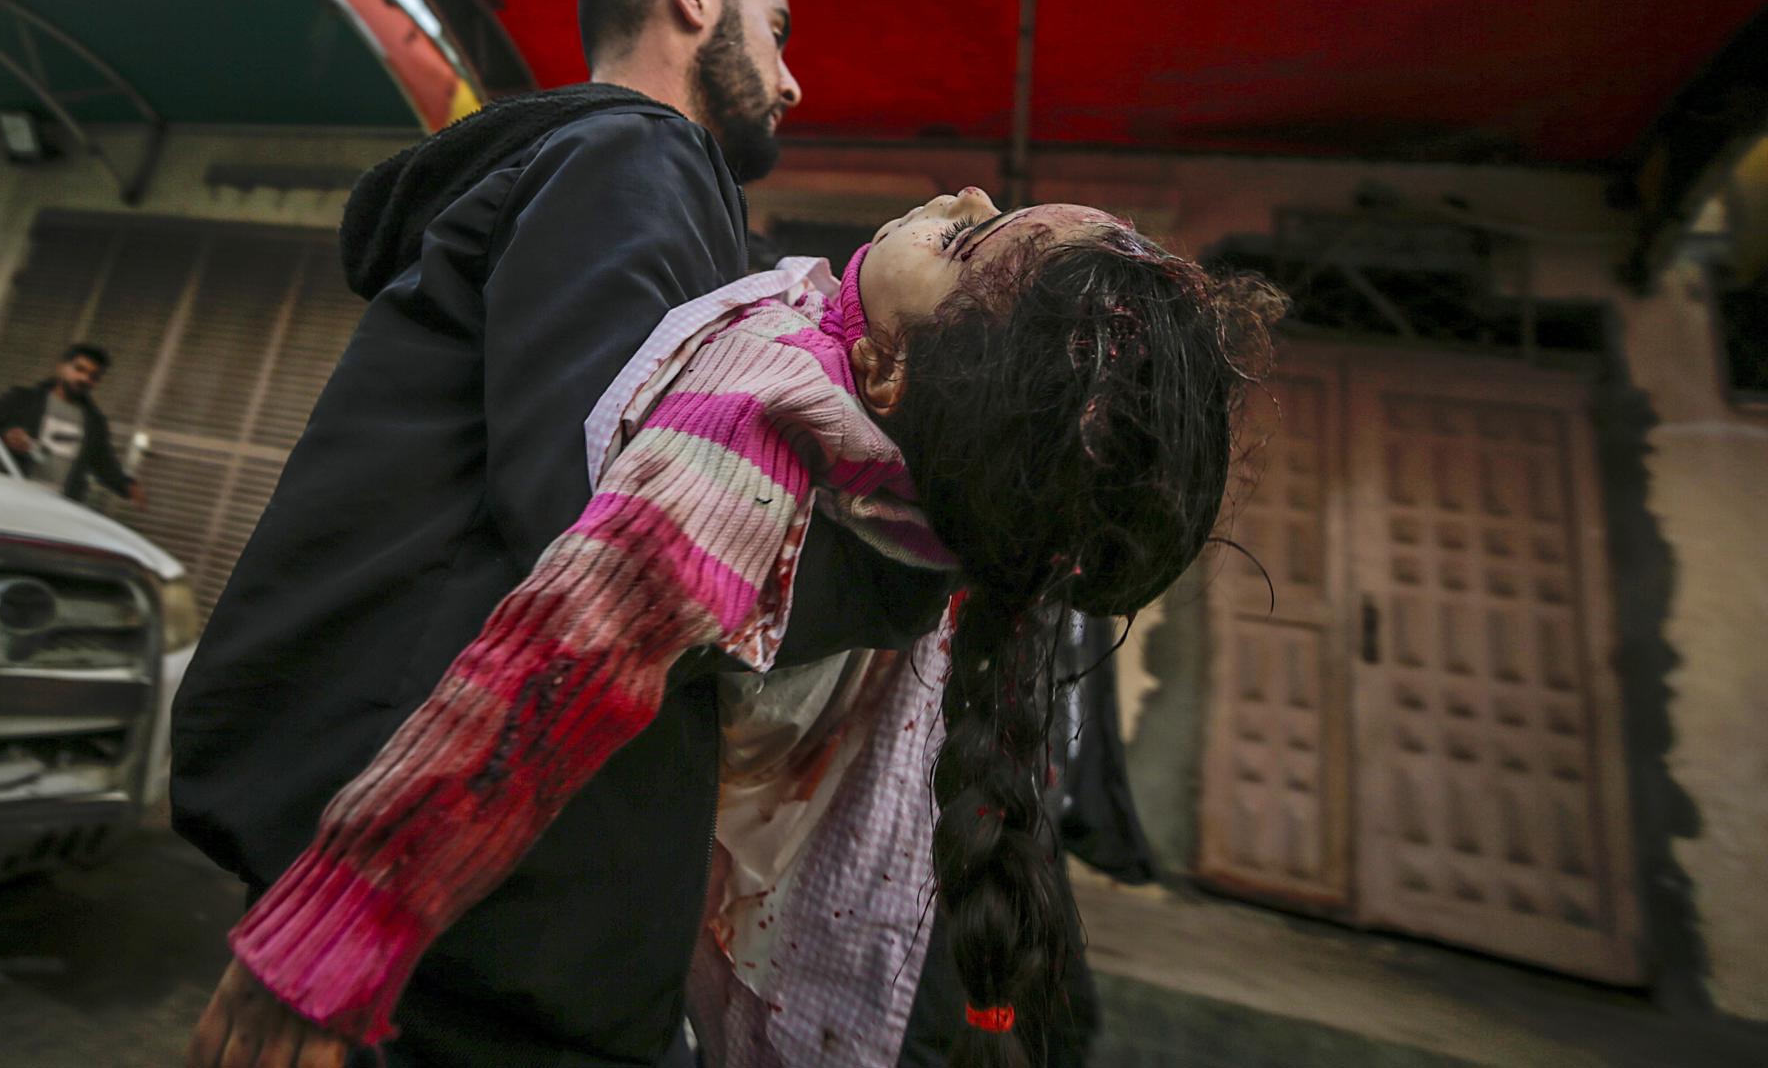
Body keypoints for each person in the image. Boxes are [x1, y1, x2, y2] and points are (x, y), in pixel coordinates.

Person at [185, 187, 1280, 1068]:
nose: (965, 189)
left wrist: (339, 932)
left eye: (967, 238)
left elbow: (559, 665)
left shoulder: (764, 403)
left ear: (891, 372)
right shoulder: (957, 527)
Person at [171, 0, 951, 1068]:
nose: (790, 82)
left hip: (436, 890)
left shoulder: (587, 167)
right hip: (472, 924)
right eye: (777, 31)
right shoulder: (644, 152)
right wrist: (914, 570)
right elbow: (608, 498)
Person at [0, 342, 147, 508]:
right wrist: (5, 438)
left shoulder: (94, 422)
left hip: (60, 508)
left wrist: (128, 486)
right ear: (61, 367)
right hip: (10, 496)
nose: (85, 379)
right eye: (79, 369)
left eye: (93, 377)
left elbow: (104, 464)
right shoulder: (21, 399)